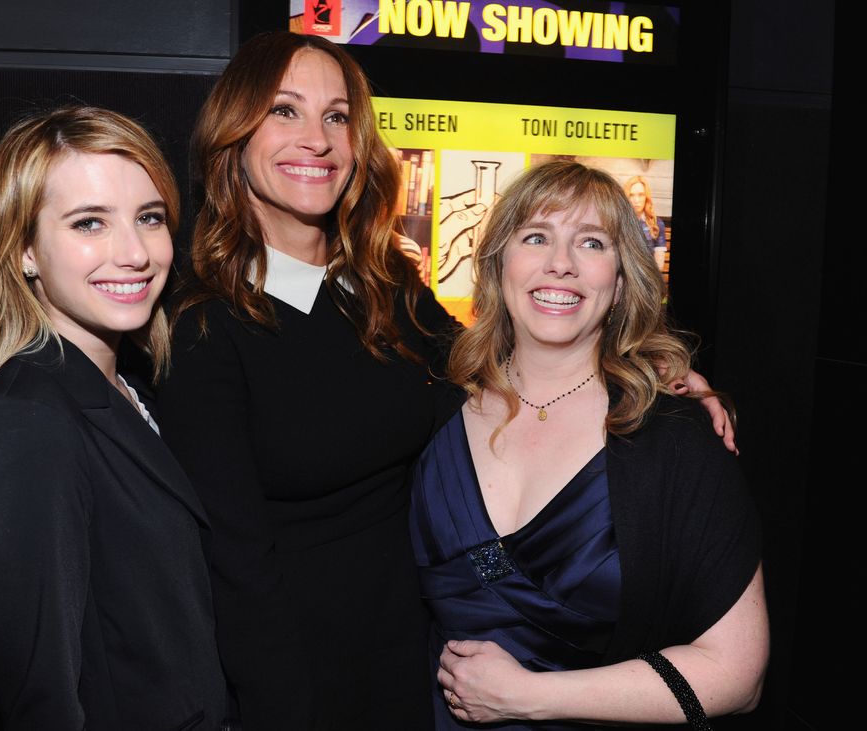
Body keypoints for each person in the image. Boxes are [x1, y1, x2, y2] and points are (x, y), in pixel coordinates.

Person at [159, 31, 734, 731]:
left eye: (336, 116)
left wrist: (657, 364)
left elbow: (498, 362)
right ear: (233, 137)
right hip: (300, 679)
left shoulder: (382, 288)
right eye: (284, 111)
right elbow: (235, 571)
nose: (317, 139)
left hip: (424, 662)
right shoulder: (203, 328)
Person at [409, 161, 768, 730]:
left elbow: (738, 675)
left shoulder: (674, 441)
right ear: (498, 262)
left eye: (592, 243)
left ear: (621, 277)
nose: (560, 263)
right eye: (535, 236)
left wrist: (528, 696)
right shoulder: (431, 411)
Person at [0, 106, 227, 730]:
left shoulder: (127, 389)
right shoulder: (24, 426)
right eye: (89, 223)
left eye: (149, 219)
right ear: (23, 250)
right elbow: (40, 700)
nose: (133, 253)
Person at [624, 174, 666, 255]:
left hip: (647, 267)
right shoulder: (619, 221)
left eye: (641, 195)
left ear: (646, 197)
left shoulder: (656, 224)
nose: (636, 200)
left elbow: (659, 263)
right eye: (631, 195)